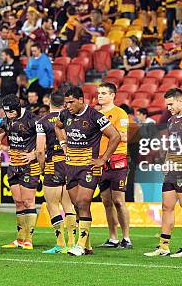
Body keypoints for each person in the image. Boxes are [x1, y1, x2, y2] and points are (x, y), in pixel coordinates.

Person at [56, 86, 121, 256]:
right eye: (65, 103)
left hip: (89, 166)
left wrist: (103, 159)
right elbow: (58, 127)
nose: (68, 106)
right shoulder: (64, 114)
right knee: (77, 205)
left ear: (81, 100)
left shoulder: (95, 116)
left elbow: (115, 136)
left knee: (84, 202)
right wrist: (63, 143)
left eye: (71, 102)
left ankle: (79, 245)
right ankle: (87, 245)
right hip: (70, 166)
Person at [145, 88, 182, 258]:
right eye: (167, 105)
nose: (169, 107)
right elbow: (172, 144)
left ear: (180, 101)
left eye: (171, 104)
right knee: (166, 207)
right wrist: (166, 161)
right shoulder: (171, 120)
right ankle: (164, 246)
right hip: (171, 169)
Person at [0, 94, 40, 250]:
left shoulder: (33, 120)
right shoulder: (7, 120)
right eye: (6, 113)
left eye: (11, 112)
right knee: (18, 203)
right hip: (13, 165)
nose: (9, 116)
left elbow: (48, 139)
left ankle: (29, 239)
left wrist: (34, 154)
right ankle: (20, 239)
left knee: (28, 201)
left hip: (29, 166)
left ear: (18, 108)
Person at [36, 92, 76, 254]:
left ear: (49, 102)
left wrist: (42, 167)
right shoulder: (71, 119)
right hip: (70, 162)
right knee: (68, 204)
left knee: (53, 204)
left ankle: (60, 243)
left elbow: (40, 150)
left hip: (53, 163)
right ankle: (72, 242)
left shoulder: (42, 122)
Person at [96, 83, 132, 249]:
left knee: (118, 200)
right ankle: (113, 238)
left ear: (112, 96)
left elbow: (124, 136)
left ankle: (126, 238)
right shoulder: (94, 114)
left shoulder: (120, 113)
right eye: (99, 93)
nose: (100, 96)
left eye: (104, 93)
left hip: (117, 161)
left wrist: (108, 133)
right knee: (106, 201)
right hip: (100, 162)